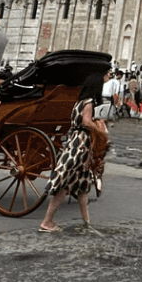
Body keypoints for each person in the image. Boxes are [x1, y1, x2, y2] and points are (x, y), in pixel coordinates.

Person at [38, 95, 107, 233]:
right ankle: (47, 221)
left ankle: (86, 223)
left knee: (83, 183)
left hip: (78, 141)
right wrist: (101, 132)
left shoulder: (79, 102)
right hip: (81, 144)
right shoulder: (88, 103)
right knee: (65, 184)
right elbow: (86, 122)